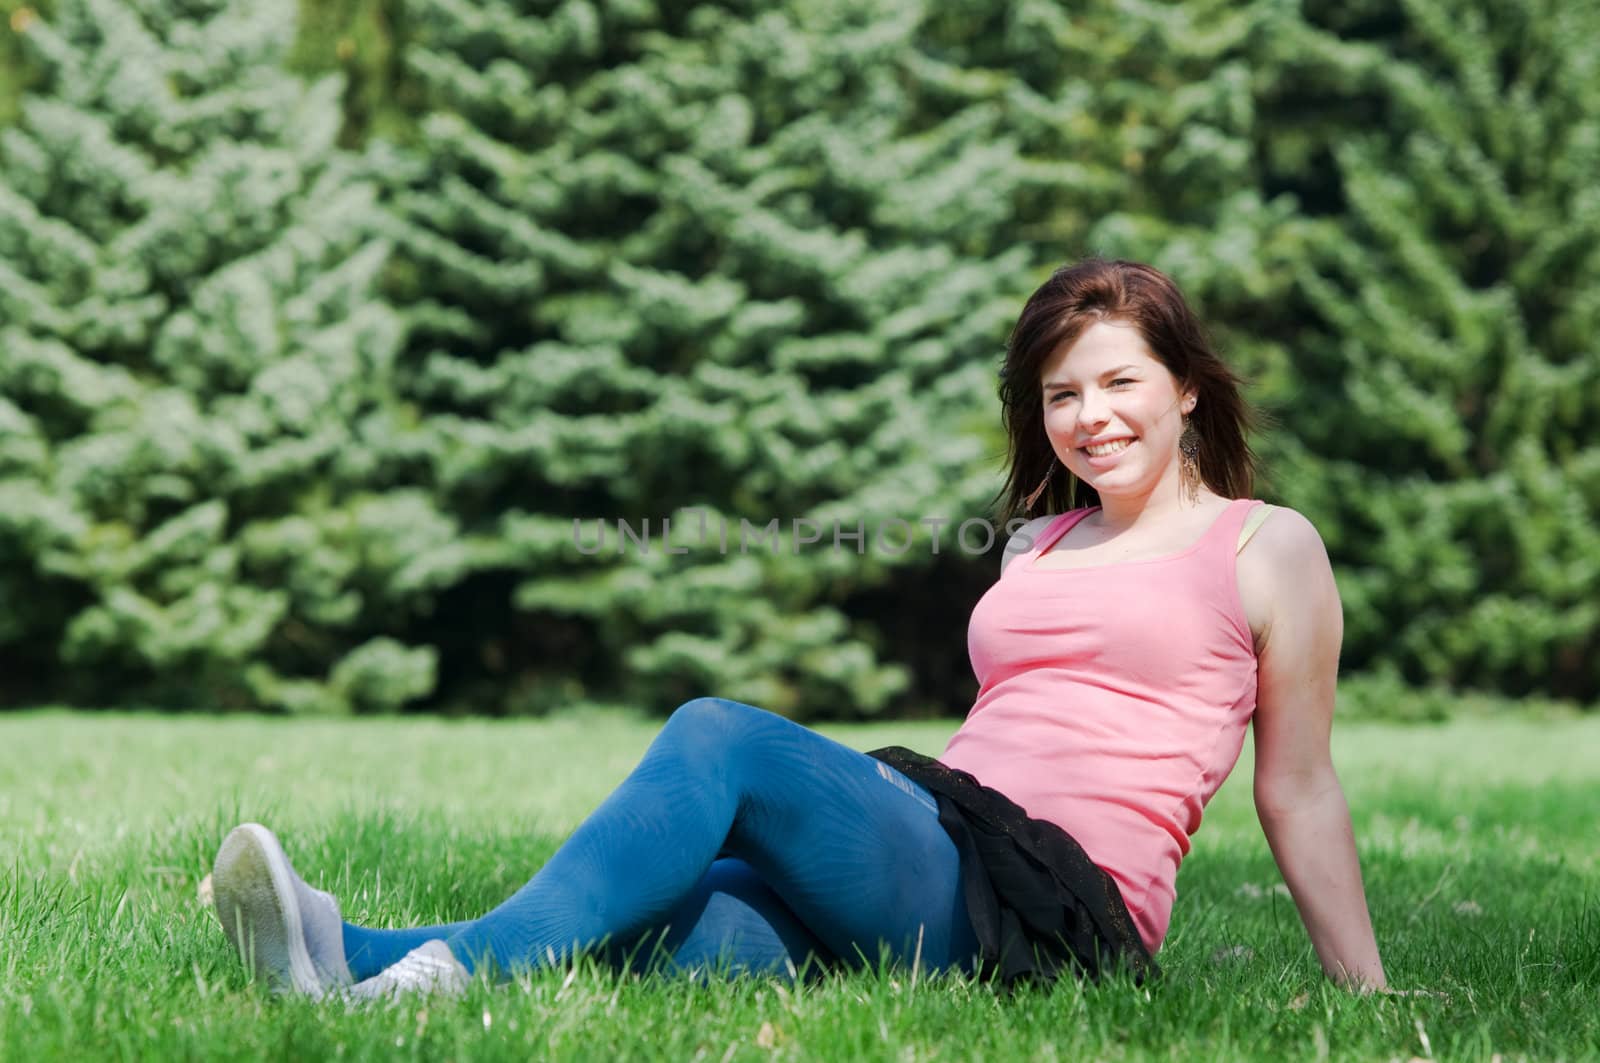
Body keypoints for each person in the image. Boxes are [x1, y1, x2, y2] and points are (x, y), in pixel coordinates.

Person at [211, 258, 1387, 999]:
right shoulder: (1038, 543)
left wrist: (1361, 990)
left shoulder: (1263, 545)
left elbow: (1299, 786)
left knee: (719, 735)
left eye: (1119, 383)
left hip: (1053, 903)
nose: (1089, 417)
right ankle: (338, 950)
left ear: (1185, 387)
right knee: (662, 905)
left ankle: (424, 975)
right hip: (943, 836)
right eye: (1060, 394)